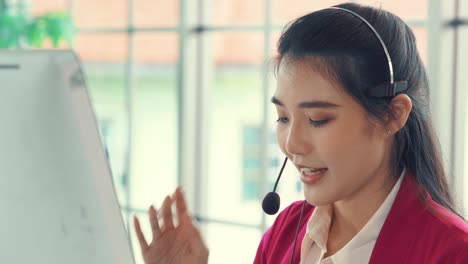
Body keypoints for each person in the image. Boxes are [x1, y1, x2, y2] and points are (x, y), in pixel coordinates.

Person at [133, 2, 468, 263]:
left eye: (318, 119)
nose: (292, 145)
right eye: (282, 118)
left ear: (393, 116)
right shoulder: (285, 232)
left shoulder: (453, 253)